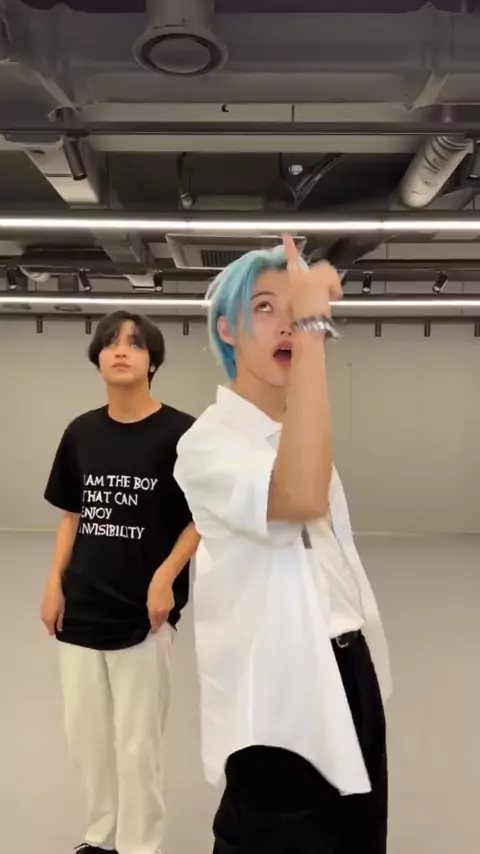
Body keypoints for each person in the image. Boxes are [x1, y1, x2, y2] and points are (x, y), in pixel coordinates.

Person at [174, 236, 392, 854]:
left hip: (348, 667)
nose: (287, 323)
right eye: (265, 307)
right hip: (274, 691)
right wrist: (315, 329)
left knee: (356, 836)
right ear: (226, 329)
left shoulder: (293, 430)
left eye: (293, 308)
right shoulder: (207, 443)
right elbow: (299, 497)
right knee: (279, 835)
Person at [40, 310, 199, 854]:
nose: (121, 350)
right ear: (98, 360)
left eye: (134, 343)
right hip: (81, 605)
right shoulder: (81, 433)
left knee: (137, 743)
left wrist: (166, 577)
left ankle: (139, 844)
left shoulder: (182, 434)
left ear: (153, 361)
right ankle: (100, 837)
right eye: (110, 343)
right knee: (87, 738)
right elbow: (73, 514)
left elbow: (201, 517)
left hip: (142, 613)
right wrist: (54, 583)